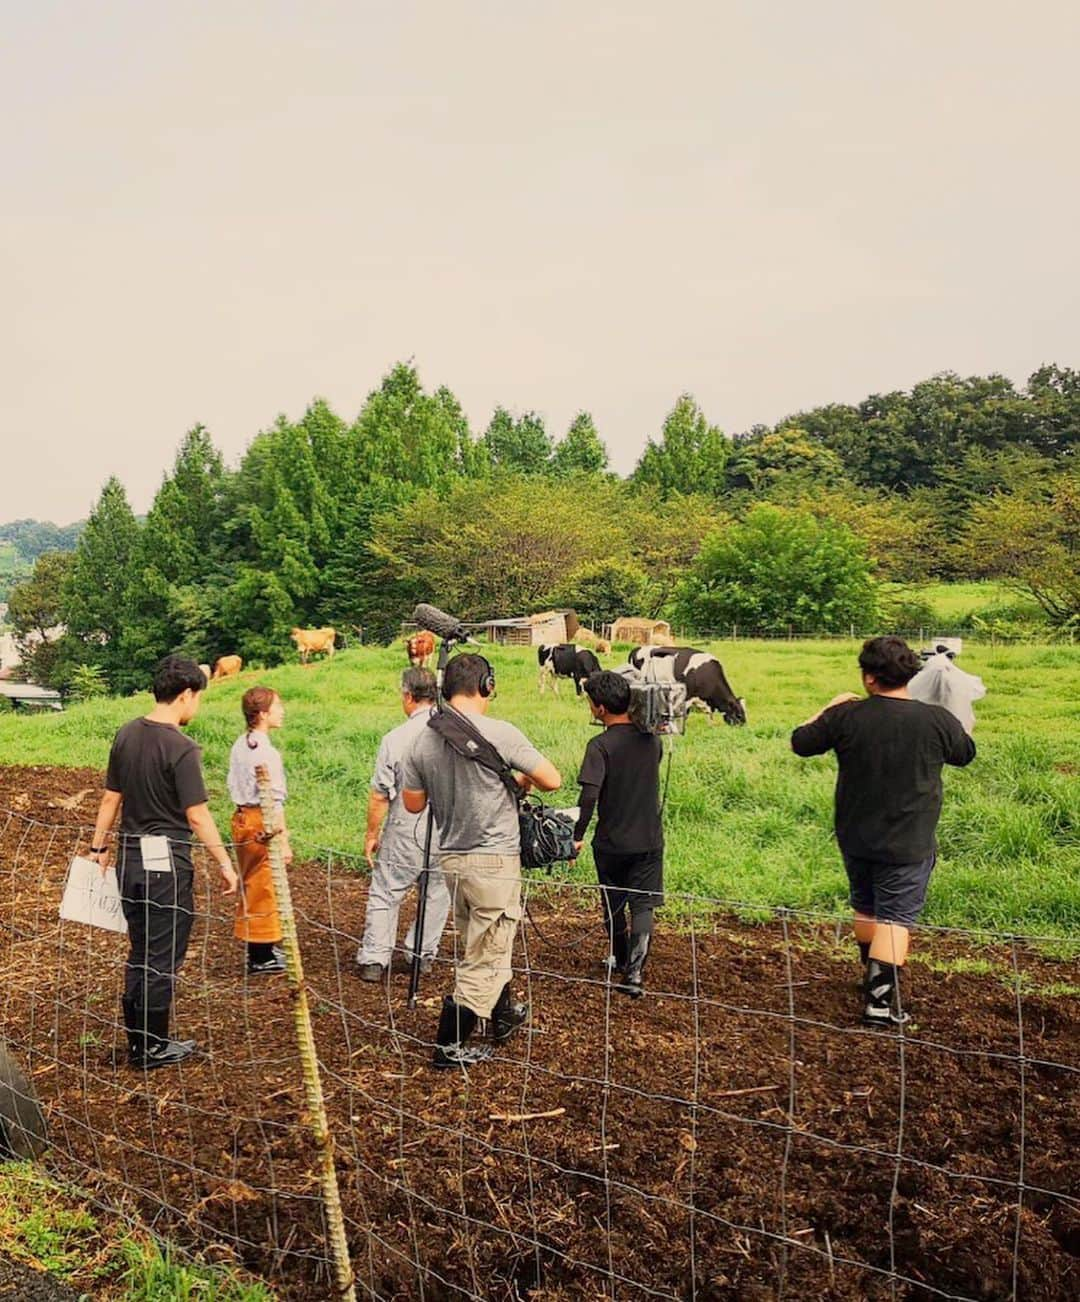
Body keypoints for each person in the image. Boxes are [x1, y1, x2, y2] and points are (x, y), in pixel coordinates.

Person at [791, 636, 975, 1026]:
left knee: (866, 905)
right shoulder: (935, 719)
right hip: (909, 838)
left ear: (870, 677)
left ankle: (870, 975)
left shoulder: (847, 716)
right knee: (895, 918)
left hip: (855, 833)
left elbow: (801, 743)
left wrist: (827, 707)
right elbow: (965, 754)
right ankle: (879, 1003)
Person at [401, 653, 561, 1069]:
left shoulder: (421, 739)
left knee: (484, 941)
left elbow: (413, 804)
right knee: (484, 955)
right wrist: (519, 779)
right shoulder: (500, 732)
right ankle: (448, 1049)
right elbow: (553, 779)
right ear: (487, 685)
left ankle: (503, 1016)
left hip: (452, 859)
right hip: (493, 861)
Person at [87, 655, 238, 1070]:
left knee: (140, 950)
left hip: (128, 861)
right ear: (187, 695)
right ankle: (153, 1047)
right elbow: (197, 815)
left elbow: (110, 799)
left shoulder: (127, 733)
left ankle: (140, 1041)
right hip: (166, 865)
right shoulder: (182, 748)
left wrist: (99, 849)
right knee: (162, 954)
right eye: (198, 699)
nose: (196, 707)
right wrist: (225, 862)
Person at [572, 671, 664, 998]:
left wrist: (576, 835)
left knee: (613, 903)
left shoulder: (599, 746)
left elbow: (588, 796)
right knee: (643, 905)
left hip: (611, 842)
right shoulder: (653, 740)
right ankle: (635, 974)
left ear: (599, 708)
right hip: (649, 839)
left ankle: (620, 957)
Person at [355, 667, 450, 982]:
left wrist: (372, 833)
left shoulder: (394, 739)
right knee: (438, 890)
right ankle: (421, 954)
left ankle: (374, 958)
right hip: (449, 825)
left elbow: (380, 795)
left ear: (408, 696)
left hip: (406, 822)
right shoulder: (453, 733)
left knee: (386, 888)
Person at [229, 686, 291, 976]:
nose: (282, 711)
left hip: (241, 817)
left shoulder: (242, 744)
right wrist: (284, 839)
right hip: (261, 820)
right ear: (263, 714)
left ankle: (260, 945)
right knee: (264, 883)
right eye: (277, 706)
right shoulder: (267, 753)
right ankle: (261, 954)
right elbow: (273, 801)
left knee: (250, 879)